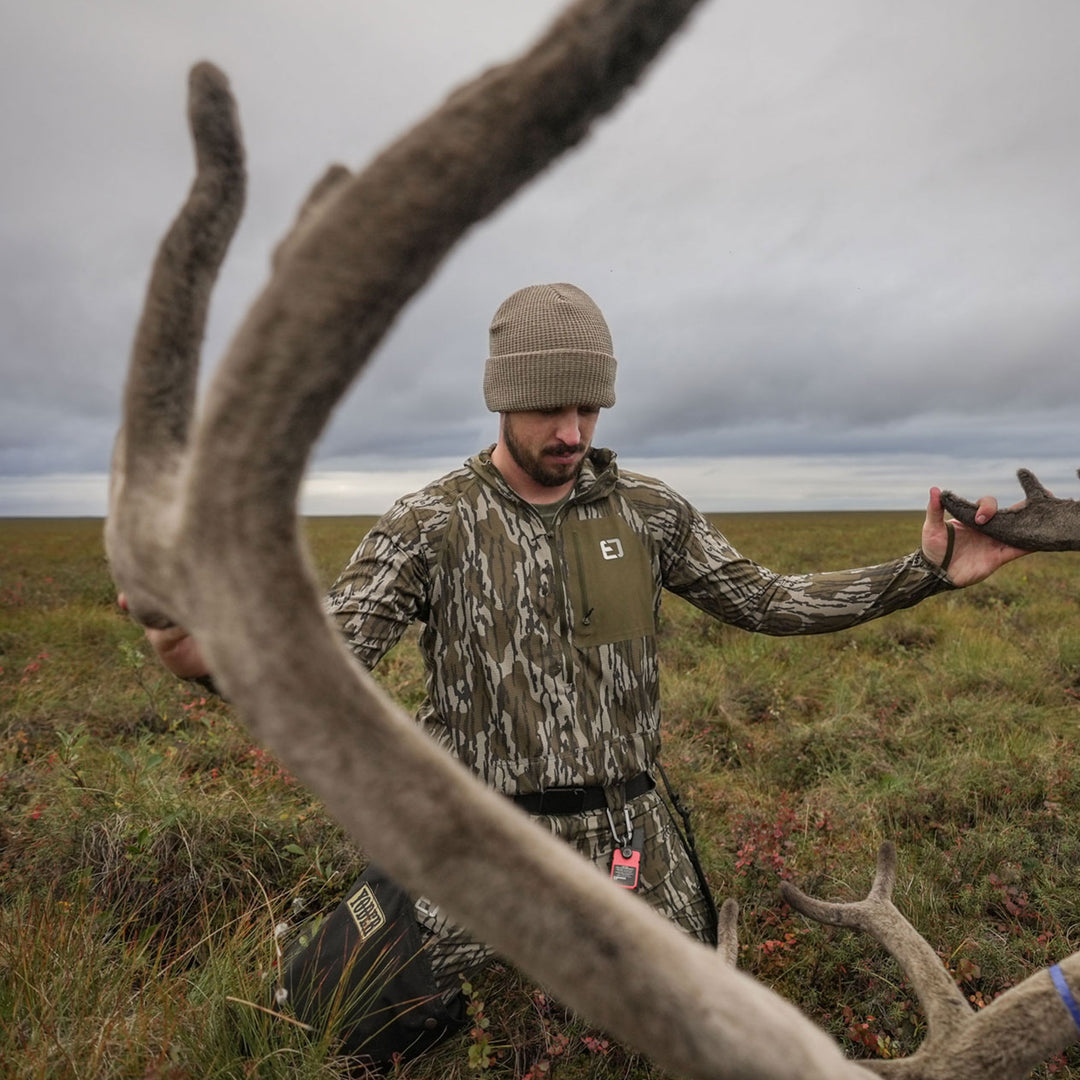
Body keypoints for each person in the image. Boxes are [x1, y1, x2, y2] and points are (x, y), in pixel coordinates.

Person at [129, 282, 1024, 1055]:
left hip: (631, 837)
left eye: (588, 408)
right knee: (314, 1024)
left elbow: (769, 599)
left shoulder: (649, 511)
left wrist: (929, 572)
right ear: (501, 401)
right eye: (547, 408)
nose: (570, 431)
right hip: (480, 838)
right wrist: (222, 653)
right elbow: (328, 653)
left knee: (713, 1031)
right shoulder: (428, 524)